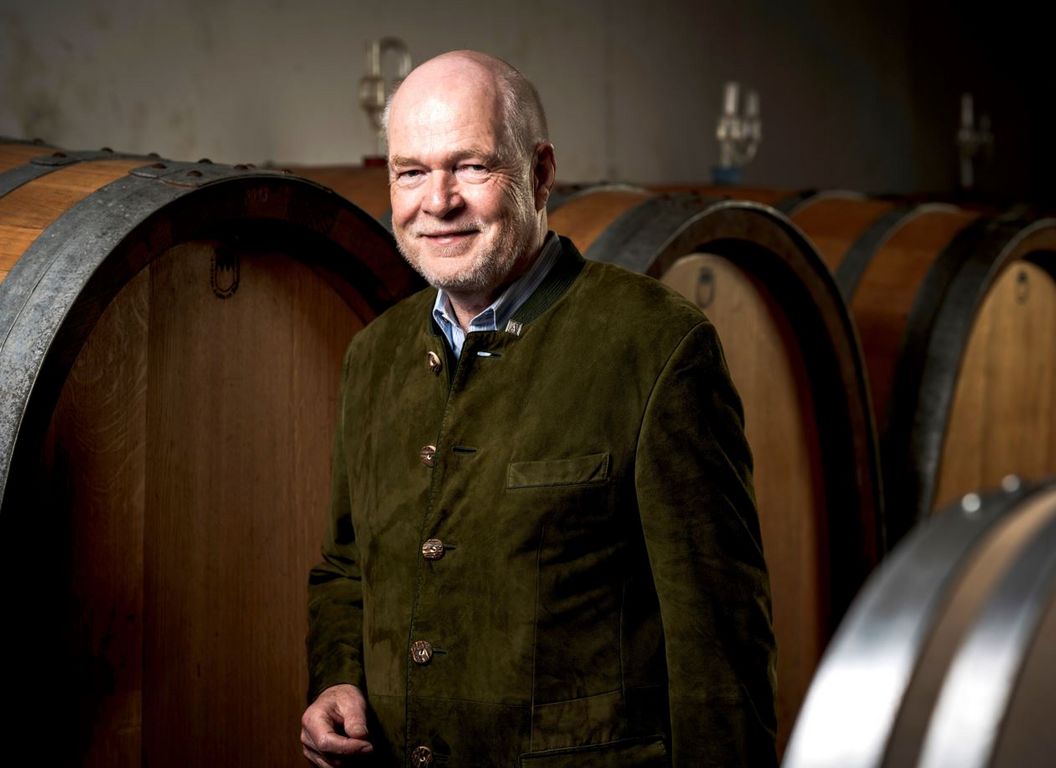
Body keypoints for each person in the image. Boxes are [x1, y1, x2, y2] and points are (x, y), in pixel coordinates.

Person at [300, 49, 777, 768]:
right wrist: (337, 677)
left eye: (471, 167)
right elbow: (345, 566)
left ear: (541, 173)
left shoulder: (656, 344)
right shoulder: (374, 355)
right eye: (411, 172)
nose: (438, 202)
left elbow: (720, 644)